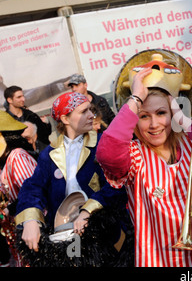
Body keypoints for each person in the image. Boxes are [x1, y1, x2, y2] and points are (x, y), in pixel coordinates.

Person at [96, 50, 192, 267]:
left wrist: (186, 121)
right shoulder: (135, 155)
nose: (154, 124)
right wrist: (136, 98)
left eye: (161, 113)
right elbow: (107, 154)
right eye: (143, 116)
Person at [15, 91, 130, 266]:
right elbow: (33, 187)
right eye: (84, 112)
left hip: (105, 236)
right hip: (67, 240)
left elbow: (116, 185)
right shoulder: (49, 153)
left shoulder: (103, 144)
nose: (92, 115)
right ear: (65, 119)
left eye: (91, 110)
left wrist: (87, 211)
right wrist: (31, 220)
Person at [0, 111, 37, 267]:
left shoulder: (17, 156)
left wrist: (10, 208)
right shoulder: (6, 161)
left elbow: (32, 191)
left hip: (33, 228)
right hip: (20, 231)